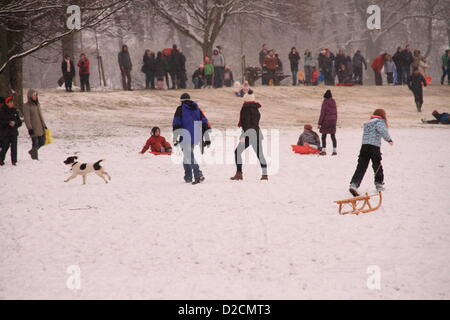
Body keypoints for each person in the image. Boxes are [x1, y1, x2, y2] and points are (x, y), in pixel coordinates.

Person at [349, 109, 394, 196]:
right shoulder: (380, 122)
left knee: (361, 166)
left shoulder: (368, 123)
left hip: (364, 146)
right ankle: (379, 185)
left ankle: (354, 184)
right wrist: (389, 140)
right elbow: (383, 131)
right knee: (377, 166)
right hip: (374, 147)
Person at [172, 93, 211, 184]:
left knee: (189, 156)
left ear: (181, 101)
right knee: (187, 156)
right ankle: (188, 177)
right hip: (196, 136)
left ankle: (198, 174)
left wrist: (175, 138)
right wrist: (207, 138)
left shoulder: (180, 109)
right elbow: (205, 123)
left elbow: (176, 123)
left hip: (185, 136)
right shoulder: (197, 109)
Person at [230, 90, 268, 181]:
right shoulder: (256, 108)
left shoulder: (246, 108)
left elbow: (246, 123)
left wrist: (244, 135)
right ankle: (265, 174)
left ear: (245, 99)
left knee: (237, 152)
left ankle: (239, 174)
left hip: (248, 134)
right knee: (260, 154)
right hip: (257, 133)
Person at [22, 89, 47, 160]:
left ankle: (32, 151)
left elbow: (40, 116)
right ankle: (35, 158)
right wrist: (30, 128)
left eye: (36, 95)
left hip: (40, 127)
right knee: (35, 143)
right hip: (33, 128)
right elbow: (27, 119)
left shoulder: (37, 104)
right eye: (33, 95)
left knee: (42, 141)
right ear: (30, 96)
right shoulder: (26, 106)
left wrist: (44, 125)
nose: (35, 96)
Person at [0, 96, 22, 166]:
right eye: (10, 102)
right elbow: (1, 122)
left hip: (14, 132)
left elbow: (20, 122)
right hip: (5, 133)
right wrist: (8, 123)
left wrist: (15, 123)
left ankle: (14, 161)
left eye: (12, 102)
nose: (12, 103)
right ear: (7, 103)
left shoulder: (15, 110)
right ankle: (1, 159)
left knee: (14, 147)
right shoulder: (2, 111)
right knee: (5, 147)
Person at [318, 90, 337, 156]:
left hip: (326, 121)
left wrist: (320, 123)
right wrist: (335, 120)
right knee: (333, 136)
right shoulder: (333, 101)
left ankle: (324, 151)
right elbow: (335, 112)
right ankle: (334, 151)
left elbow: (322, 113)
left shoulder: (325, 102)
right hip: (333, 121)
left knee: (324, 136)